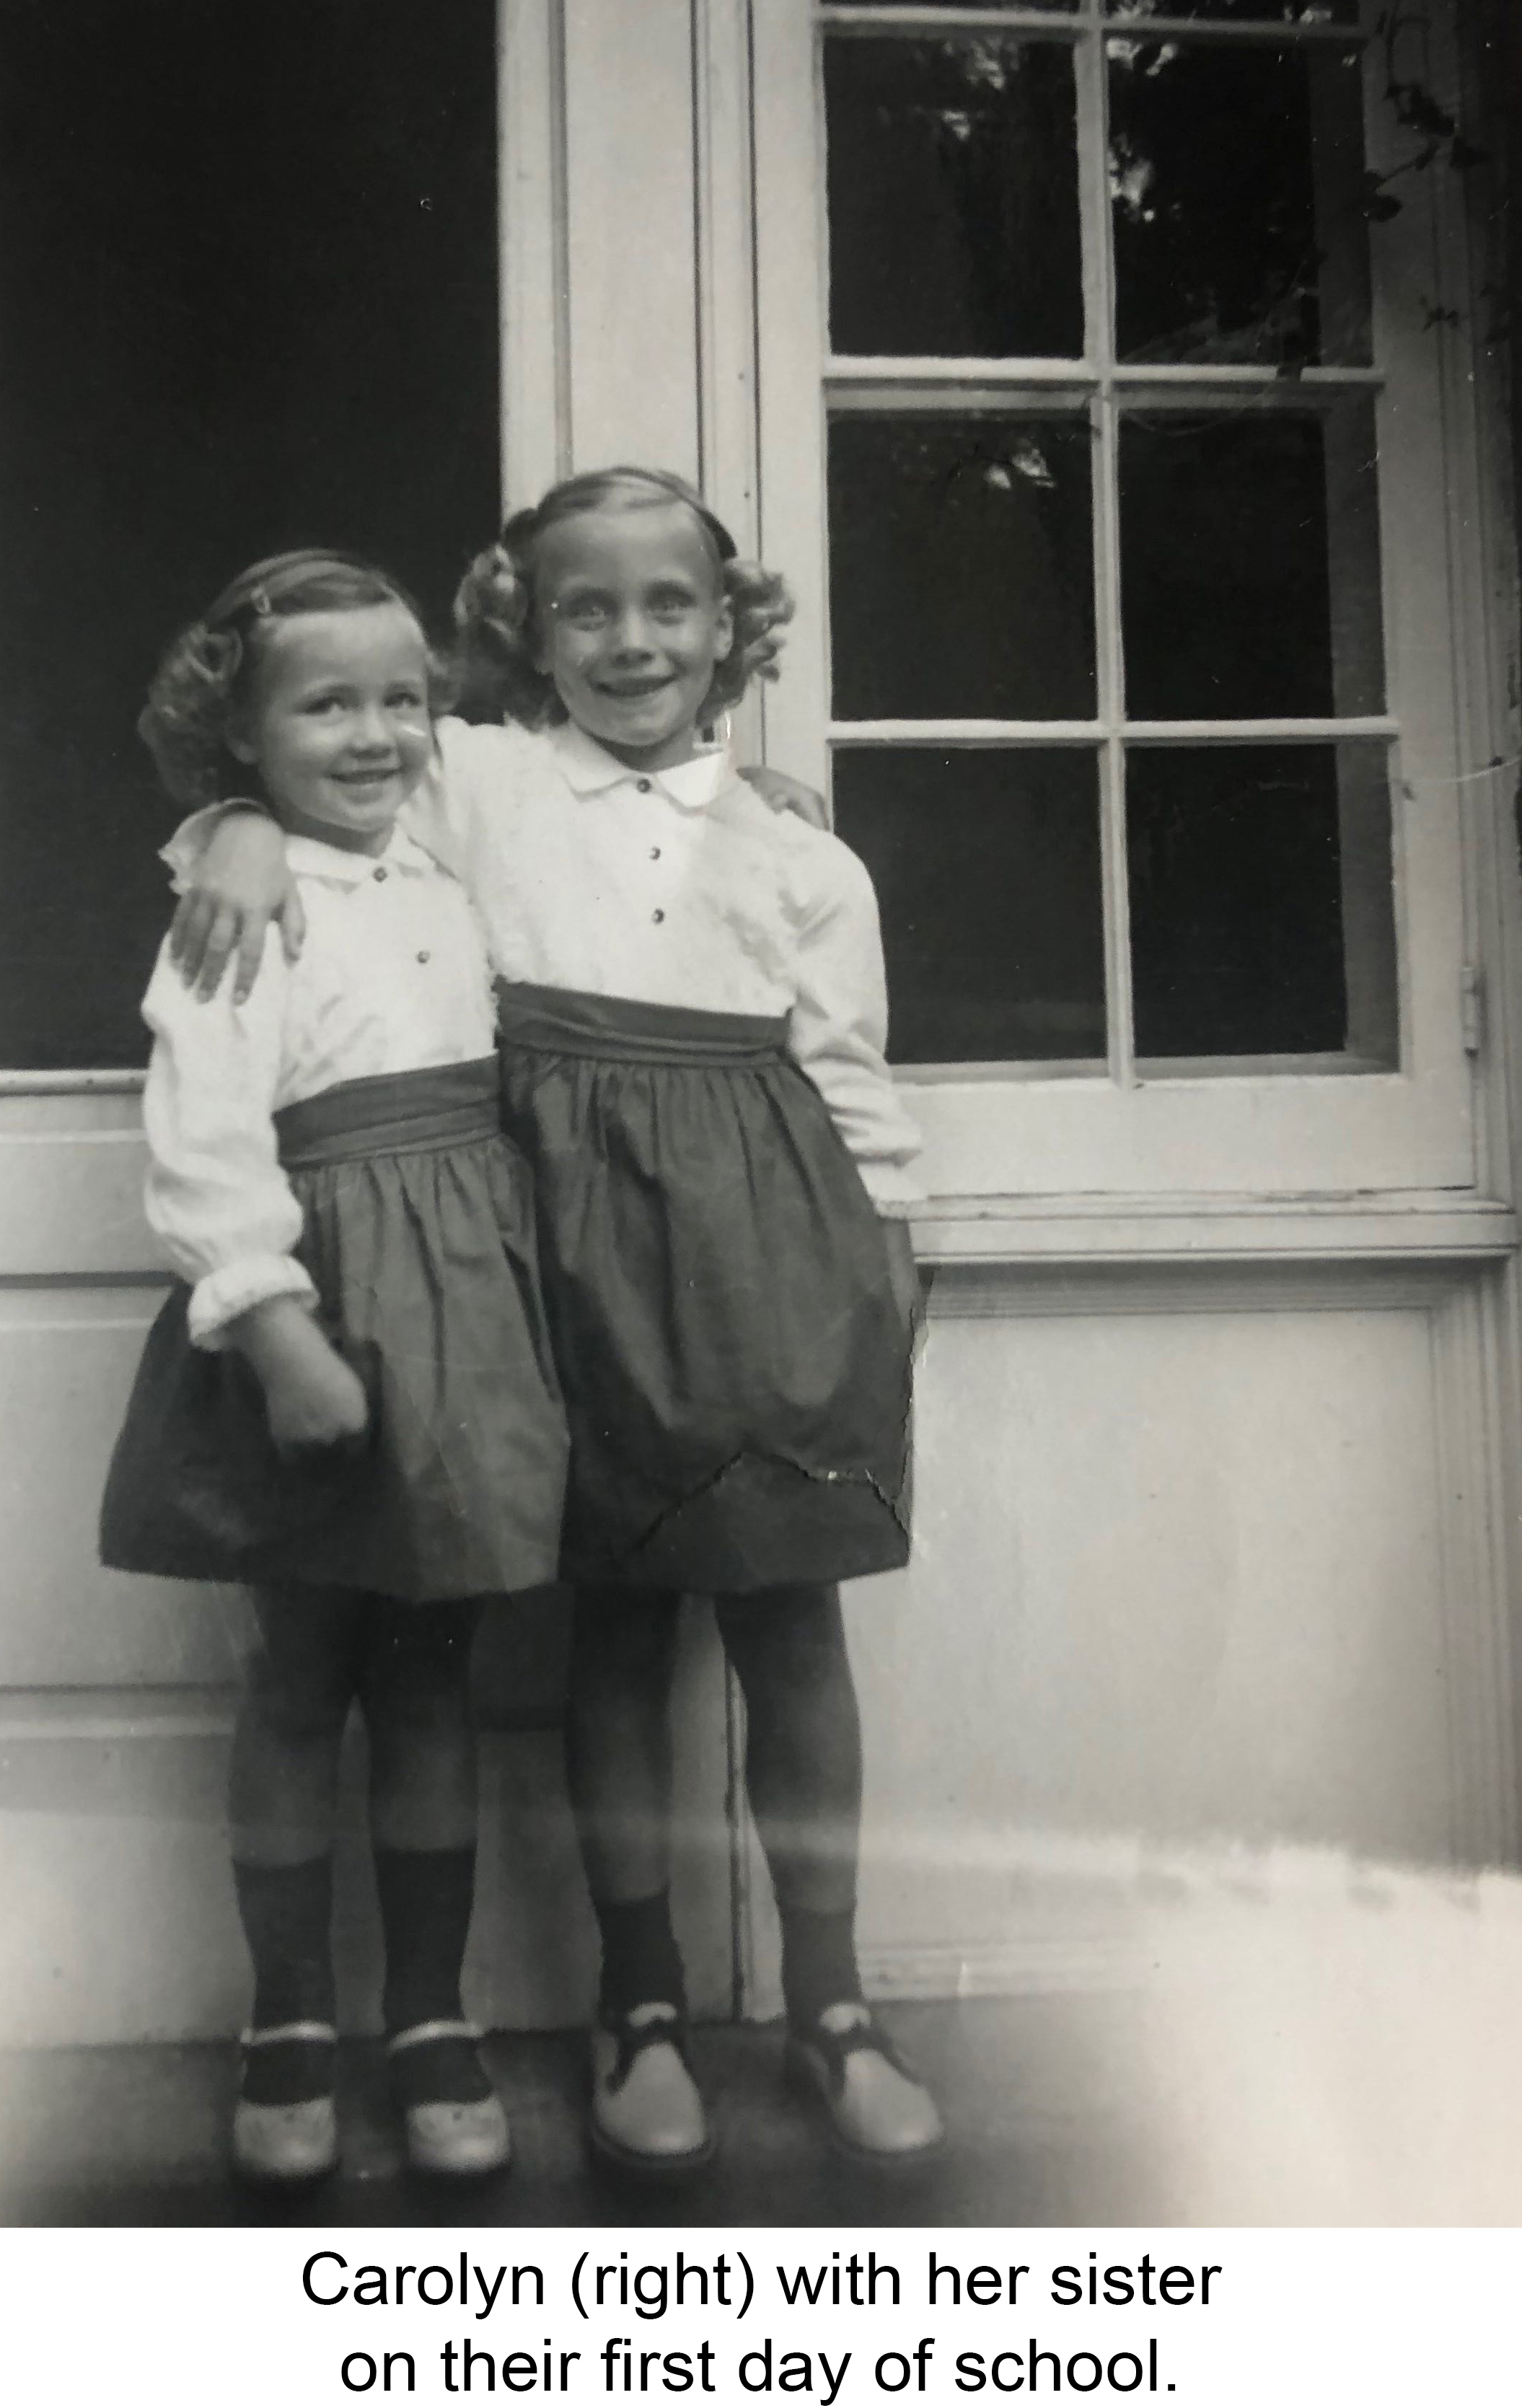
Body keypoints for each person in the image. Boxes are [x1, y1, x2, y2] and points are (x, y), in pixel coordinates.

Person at [167, 469, 945, 2175]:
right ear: (524, 631)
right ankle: (641, 2002)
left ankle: (829, 1996)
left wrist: (887, 1287)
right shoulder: (481, 777)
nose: (630, 639)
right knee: (616, 1625)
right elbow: (311, 787)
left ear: (729, 627)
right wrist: (219, 825)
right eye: (584, 608)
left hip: (771, 1258)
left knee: (791, 1619)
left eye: (668, 604)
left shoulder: (802, 853)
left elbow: (858, 1096)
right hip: (558, 1256)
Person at [100, 549, 568, 2185]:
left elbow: (579, 798)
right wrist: (280, 1334)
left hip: (470, 1310)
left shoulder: (443, 868)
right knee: (300, 1676)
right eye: (324, 705)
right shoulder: (239, 902)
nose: (374, 734)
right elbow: (206, 1140)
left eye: (402, 699)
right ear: (240, 734)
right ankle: (290, 2012)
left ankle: (429, 2012)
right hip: (322, 1308)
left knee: (433, 1675)